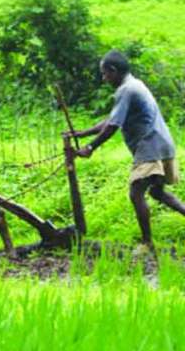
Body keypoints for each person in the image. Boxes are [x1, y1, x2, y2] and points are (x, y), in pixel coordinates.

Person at [65, 50, 185, 250]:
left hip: (150, 146)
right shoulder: (135, 85)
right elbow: (111, 120)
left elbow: (112, 126)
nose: (104, 79)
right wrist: (82, 133)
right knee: (157, 192)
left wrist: (90, 147)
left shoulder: (126, 90)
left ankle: (147, 243)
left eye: (105, 74)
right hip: (163, 143)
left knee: (136, 192)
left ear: (113, 70)